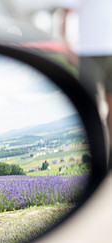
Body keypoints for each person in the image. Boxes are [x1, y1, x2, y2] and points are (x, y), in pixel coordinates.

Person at [60, 0, 112, 147]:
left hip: (110, 52)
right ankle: (98, 148)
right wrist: (66, 46)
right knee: (91, 106)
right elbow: (65, 12)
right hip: (87, 52)